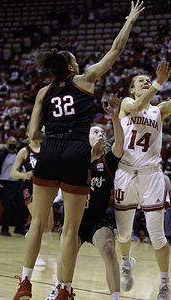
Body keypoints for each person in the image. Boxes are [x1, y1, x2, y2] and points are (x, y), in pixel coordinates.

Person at [13, 2, 145, 299]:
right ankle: (65, 290)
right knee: (70, 229)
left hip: (49, 150)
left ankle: (24, 283)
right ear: (71, 67)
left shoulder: (43, 93)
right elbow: (115, 51)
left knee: (37, 222)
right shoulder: (84, 80)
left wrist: (54, 135)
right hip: (76, 149)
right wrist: (129, 21)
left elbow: (33, 134)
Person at [113, 51, 171, 300]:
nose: (146, 82)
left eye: (148, 80)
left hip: (151, 175)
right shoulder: (127, 106)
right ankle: (126, 262)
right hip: (125, 173)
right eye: (141, 81)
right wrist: (159, 82)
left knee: (157, 235)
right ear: (132, 89)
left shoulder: (159, 110)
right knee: (125, 234)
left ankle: (165, 283)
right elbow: (138, 105)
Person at [48, 94, 125, 300]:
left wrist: (115, 117)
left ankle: (115, 298)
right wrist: (90, 156)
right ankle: (60, 287)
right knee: (66, 250)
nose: (101, 134)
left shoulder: (107, 162)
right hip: (73, 219)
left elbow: (120, 146)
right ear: (85, 137)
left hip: (96, 220)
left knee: (109, 248)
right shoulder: (73, 159)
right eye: (95, 131)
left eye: (103, 132)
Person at [10, 136, 53, 266]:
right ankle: (36, 255)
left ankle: (31, 235)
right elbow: (13, 172)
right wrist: (24, 175)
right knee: (38, 222)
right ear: (28, 134)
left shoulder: (47, 150)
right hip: (30, 189)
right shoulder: (25, 151)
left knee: (49, 226)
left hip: (46, 188)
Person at [0, 136, 28, 237]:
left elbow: (20, 168)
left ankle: (19, 228)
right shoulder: (1, 154)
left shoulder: (18, 154)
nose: (12, 143)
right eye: (10, 141)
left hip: (16, 184)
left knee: (23, 204)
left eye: (14, 141)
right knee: (8, 208)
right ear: (6, 143)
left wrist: (23, 176)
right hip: (5, 184)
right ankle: (4, 229)